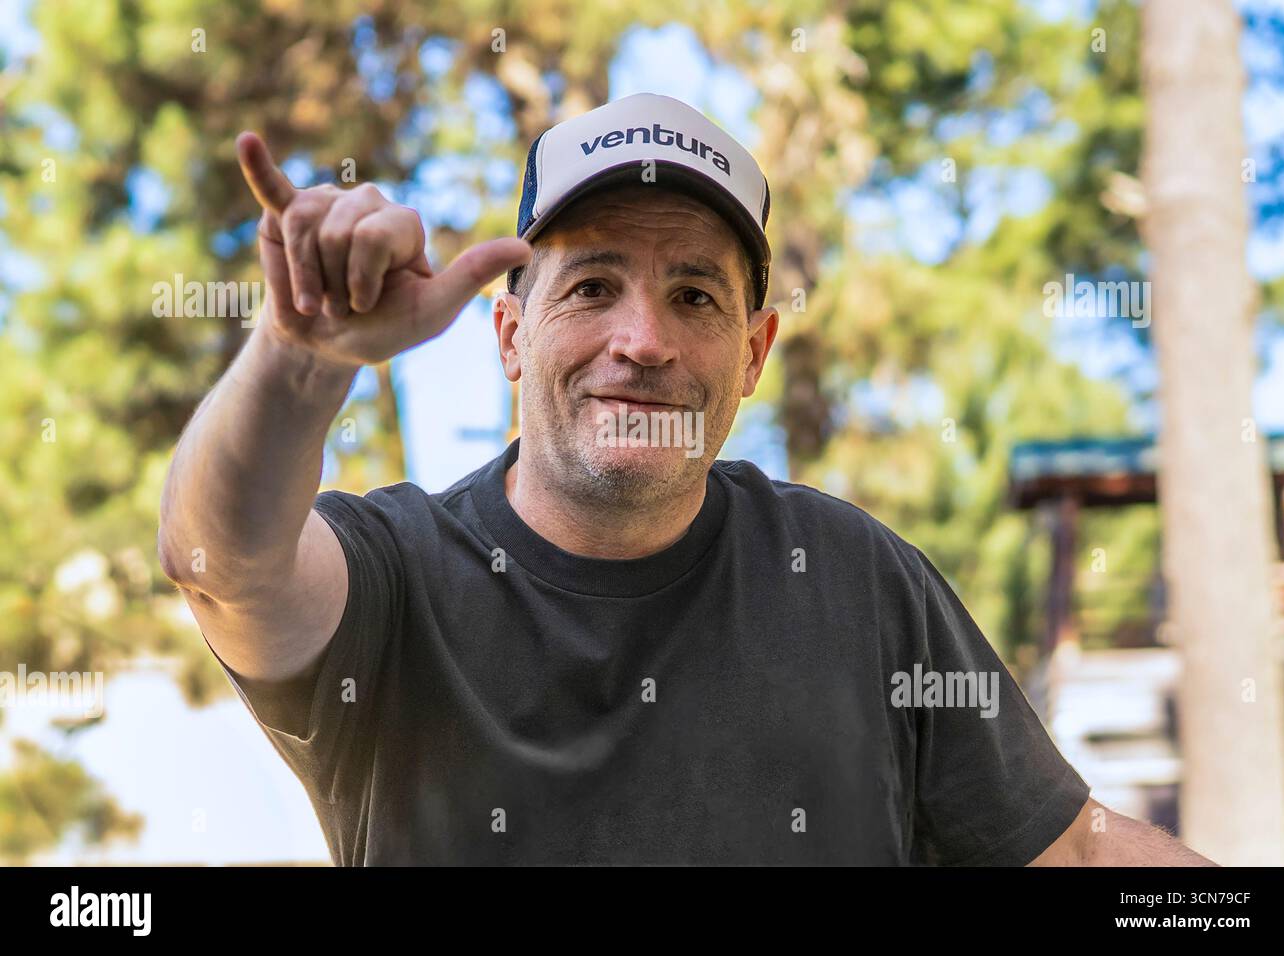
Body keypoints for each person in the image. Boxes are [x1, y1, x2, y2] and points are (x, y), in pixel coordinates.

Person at [158, 92, 1214, 866]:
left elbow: (1072, 850)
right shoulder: (394, 577)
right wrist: (301, 360)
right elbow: (220, 565)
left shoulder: (858, 578)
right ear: (512, 335)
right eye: (594, 285)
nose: (643, 340)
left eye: (696, 295)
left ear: (753, 354)